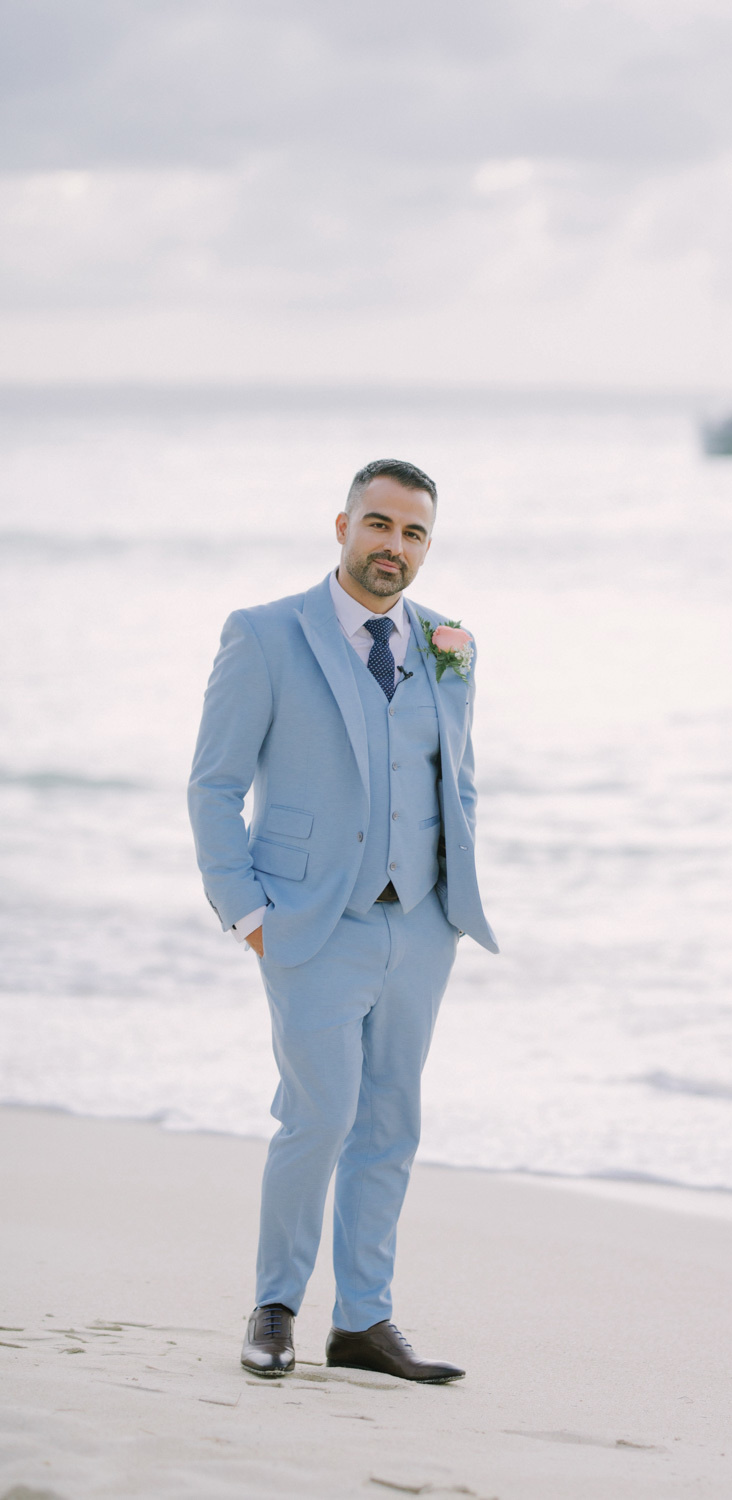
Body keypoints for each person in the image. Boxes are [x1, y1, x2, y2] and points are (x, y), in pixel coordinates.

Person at [188, 458, 497, 1383]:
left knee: (392, 1121)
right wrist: (248, 912)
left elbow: (457, 776)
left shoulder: (448, 643)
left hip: (423, 925)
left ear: (426, 546)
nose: (392, 547)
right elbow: (213, 787)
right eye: (379, 525)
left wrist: (452, 899)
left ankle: (363, 1322)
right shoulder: (265, 634)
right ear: (342, 525)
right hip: (310, 924)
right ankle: (275, 1306)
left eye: (412, 534)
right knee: (317, 1116)